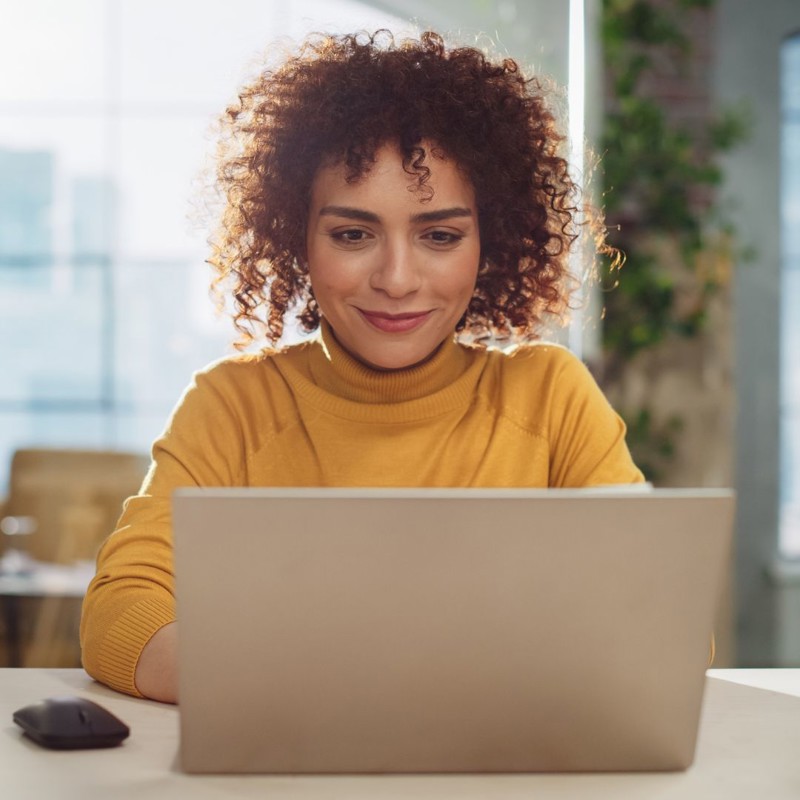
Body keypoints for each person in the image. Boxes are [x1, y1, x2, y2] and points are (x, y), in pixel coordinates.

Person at [80, 30, 643, 704]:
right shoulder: (233, 406)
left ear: (490, 242)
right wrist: (337, 688)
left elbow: (656, 626)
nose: (398, 279)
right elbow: (120, 615)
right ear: (297, 239)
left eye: (440, 235)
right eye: (353, 234)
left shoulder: (550, 398)